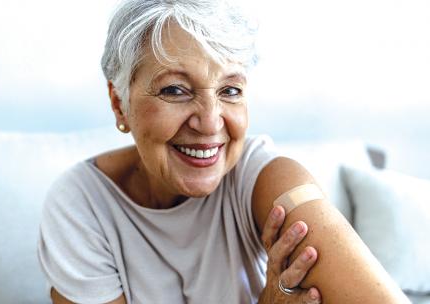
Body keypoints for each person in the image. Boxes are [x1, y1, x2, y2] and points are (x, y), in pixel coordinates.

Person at [37, 0, 410, 303]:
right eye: (174, 90)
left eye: (229, 90)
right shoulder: (79, 206)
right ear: (120, 104)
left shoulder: (267, 177)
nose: (211, 122)